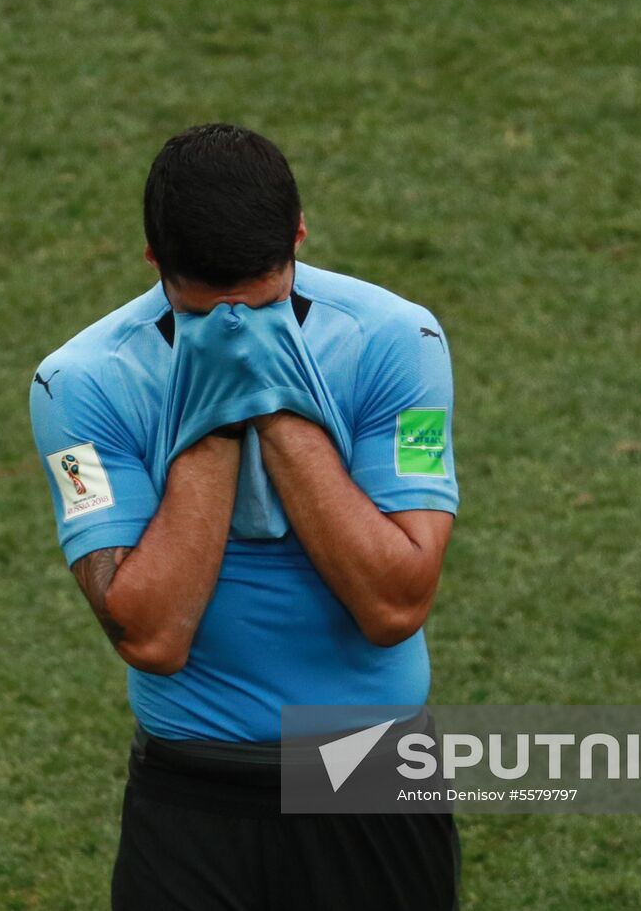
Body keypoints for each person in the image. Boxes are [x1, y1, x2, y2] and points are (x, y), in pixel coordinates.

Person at [29, 123, 460, 910]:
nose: (236, 326)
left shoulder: (401, 341)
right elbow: (151, 637)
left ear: (298, 236)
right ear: (155, 260)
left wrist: (276, 403)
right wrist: (216, 419)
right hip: (191, 793)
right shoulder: (79, 386)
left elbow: (395, 603)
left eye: (257, 302)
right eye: (209, 308)